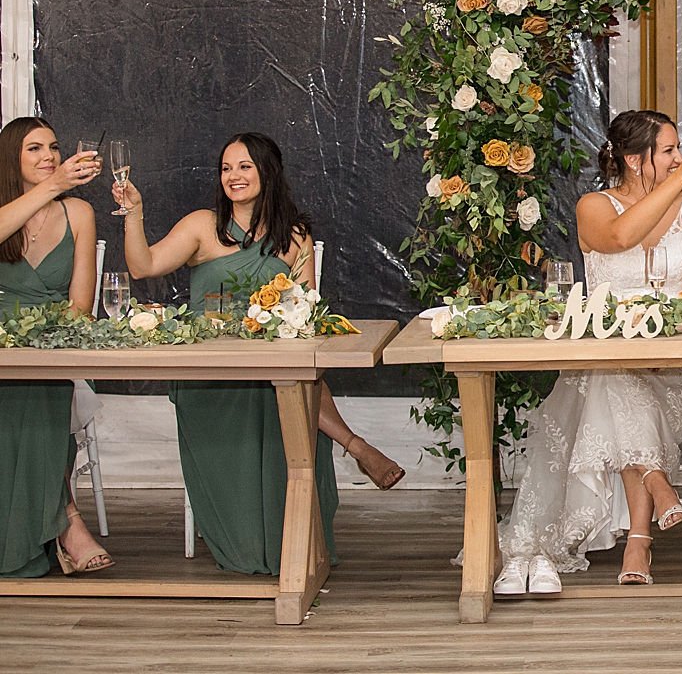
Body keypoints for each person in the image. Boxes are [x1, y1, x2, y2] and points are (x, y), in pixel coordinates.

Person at [112, 132, 403, 575]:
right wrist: (135, 213)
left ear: (267, 172)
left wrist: (280, 321)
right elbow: (142, 266)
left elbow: (306, 312)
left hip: (272, 362)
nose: (234, 176)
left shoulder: (296, 236)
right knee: (289, 384)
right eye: (227, 168)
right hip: (210, 374)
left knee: (294, 376)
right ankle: (355, 445)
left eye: (244, 166)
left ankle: (306, 524)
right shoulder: (201, 226)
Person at [494, 110, 682, 592]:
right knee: (614, 371)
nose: (680, 159)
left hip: (674, 359)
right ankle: (645, 520)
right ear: (636, 161)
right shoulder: (593, 206)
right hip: (607, 352)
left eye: (679, 151)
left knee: (612, 376)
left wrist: (669, 336)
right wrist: (681, 176)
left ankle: (651, 505)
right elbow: (619, 238)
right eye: (668, 151)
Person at [0, 118, 113, 577]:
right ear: (12, 158)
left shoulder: (79, 214)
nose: (49, 156)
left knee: (42, 386)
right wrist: (52, 187)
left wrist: (47, 343)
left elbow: (81, 307)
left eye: (53, 147)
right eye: (34, 149)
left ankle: (52, 525)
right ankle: (67, 521)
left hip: (51, 344)